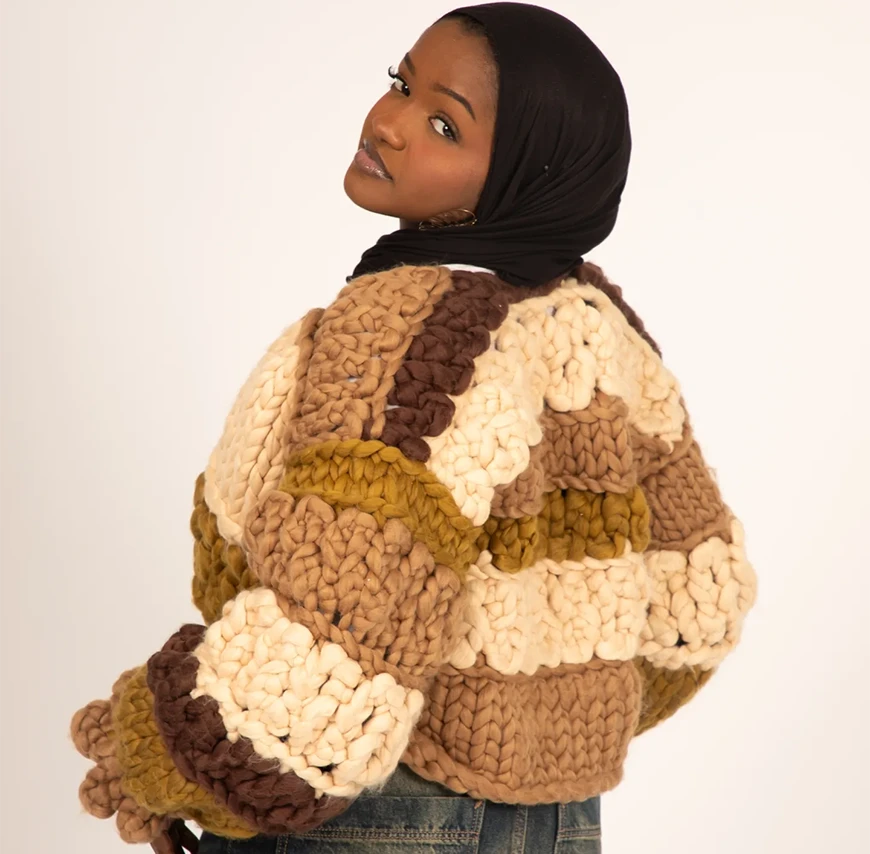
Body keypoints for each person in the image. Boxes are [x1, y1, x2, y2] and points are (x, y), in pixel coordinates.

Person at [69, 4, 758, 853]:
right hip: (557, 823)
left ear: (522, 173)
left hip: (379, 811)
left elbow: (333, 635)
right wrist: (542, 717)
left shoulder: (410, 332)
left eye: (443, 123)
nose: (390, 124)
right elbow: (700, 597)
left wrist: (161, 757)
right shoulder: (593, 328)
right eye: (399, 83)